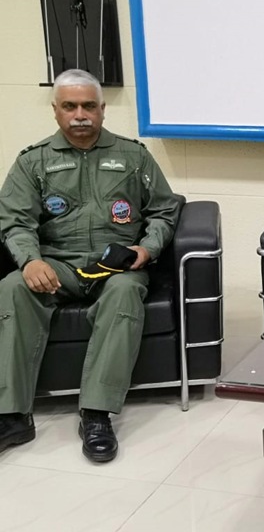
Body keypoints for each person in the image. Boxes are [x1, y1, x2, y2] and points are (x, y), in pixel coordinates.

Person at [0, 69, 182, 463]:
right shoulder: (33, 161)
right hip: (58, 264)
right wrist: (30, 261)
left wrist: (145, 251)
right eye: (70, 106)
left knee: (125, 292)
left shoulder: (134, 156)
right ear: (55, 111)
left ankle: (96, 414)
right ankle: (12, 415)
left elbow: (165, 211)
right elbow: (15, 220)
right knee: (13, 286)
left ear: (102, 109)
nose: (79, 114)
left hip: (116, 264)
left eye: (88, 106)